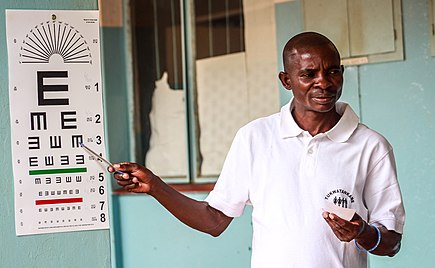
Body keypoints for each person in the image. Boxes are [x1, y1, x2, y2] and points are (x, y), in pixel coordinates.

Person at [109, 32, 405, 267]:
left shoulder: (371, 146)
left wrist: (362, 233)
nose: (324, 83)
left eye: (333, 72)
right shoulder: (255, 138)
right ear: (286, 80)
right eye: (308, 74)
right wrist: (155, 186)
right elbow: (214, 220)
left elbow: (391, 243)